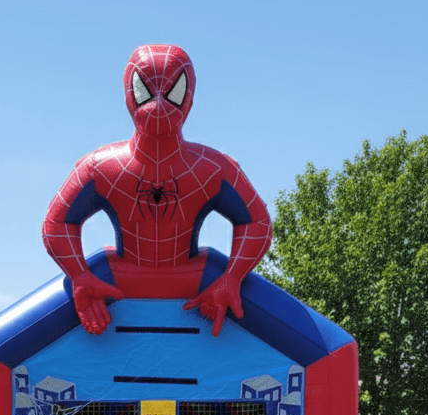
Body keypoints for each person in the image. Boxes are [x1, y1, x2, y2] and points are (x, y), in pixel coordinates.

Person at [42, 44, 272, 336]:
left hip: (186, 277)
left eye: (173, 92)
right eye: (145, 92)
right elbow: (57, 222)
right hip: (134, 277)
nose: (159, 104)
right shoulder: (101, 167)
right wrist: (79, 276)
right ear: (131, 92)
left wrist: (231, 278)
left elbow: (256, 222)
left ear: (187, 96)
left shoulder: (212, 168)